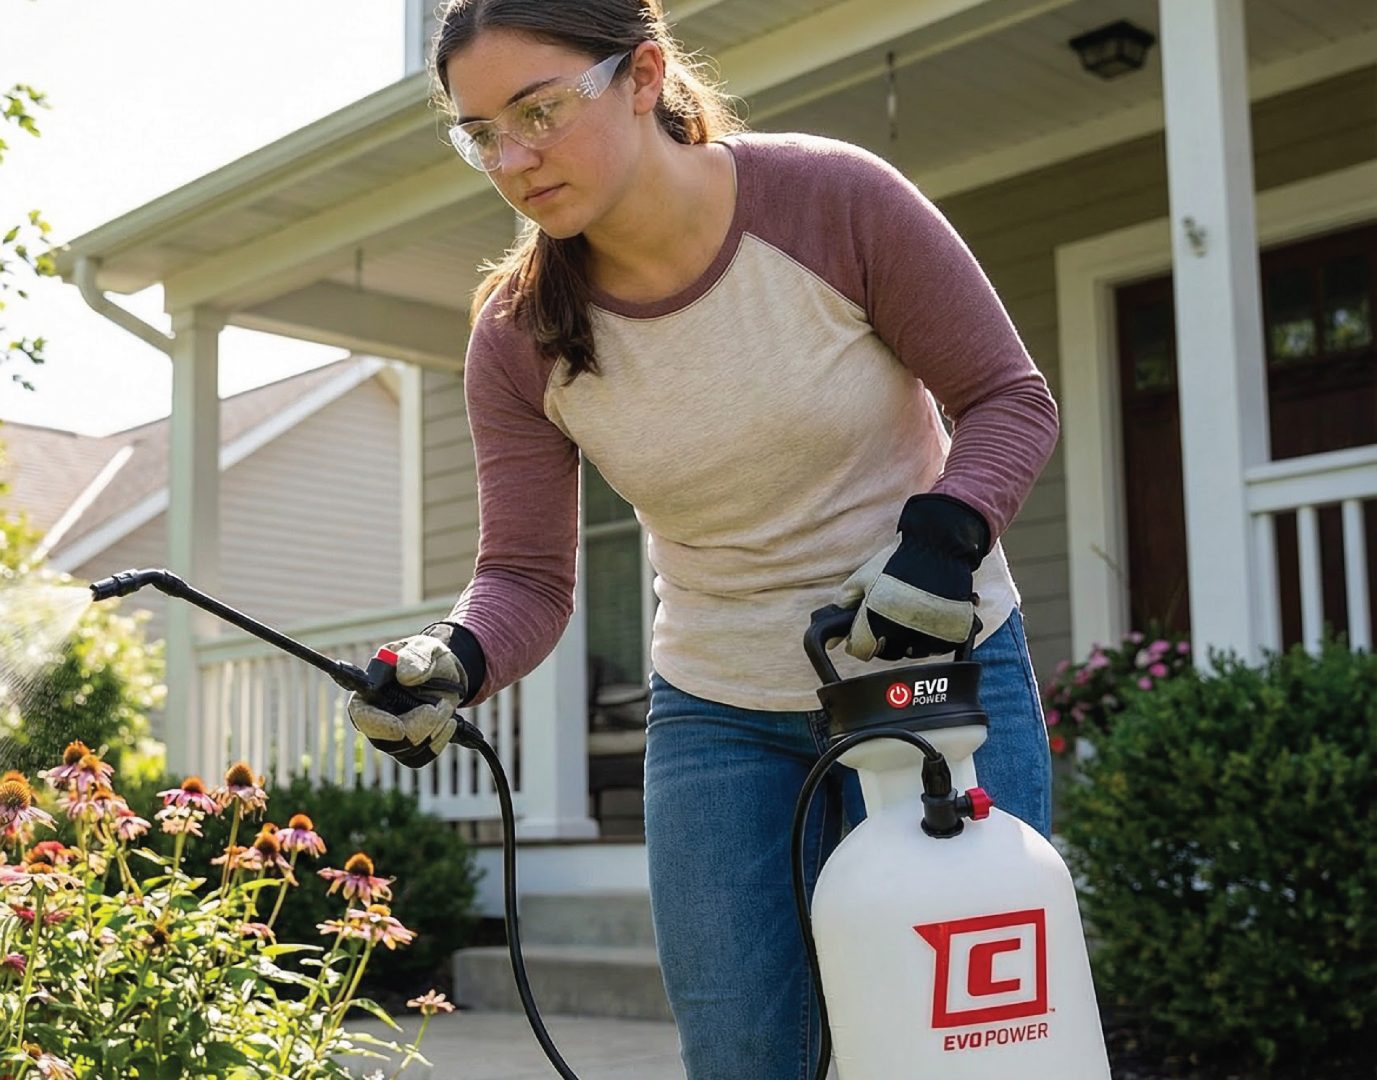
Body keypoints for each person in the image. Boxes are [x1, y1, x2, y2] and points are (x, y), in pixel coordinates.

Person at [343, 2, 1060, 1076]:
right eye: (481, 131)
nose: (514, 157)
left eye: (539, 110)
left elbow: (1007, 399)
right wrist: (457, 656)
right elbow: (526, 577)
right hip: (719, 717)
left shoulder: (832, 200)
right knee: (743, 1051)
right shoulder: (518, 335)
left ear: (642, 75)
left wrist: (940, 545)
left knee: (964, 1045)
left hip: (939, 681)